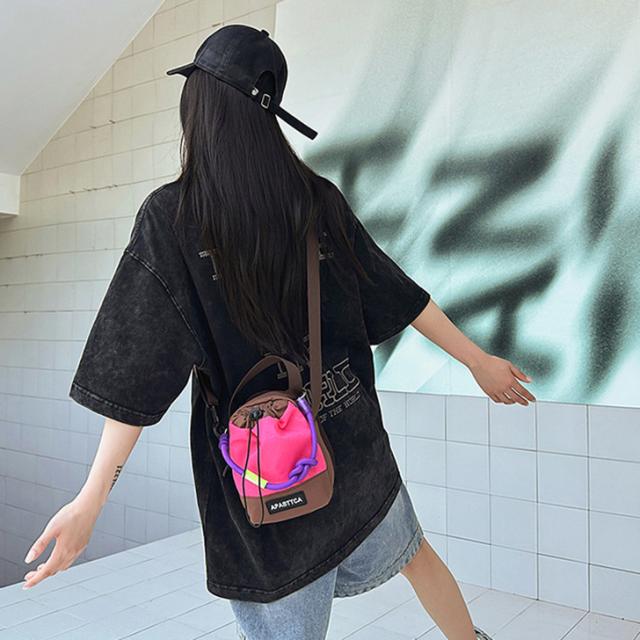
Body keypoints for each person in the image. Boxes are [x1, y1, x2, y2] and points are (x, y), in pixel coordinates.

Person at [21, 25, 535, 640]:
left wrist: (92, 497)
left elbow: (137, 366)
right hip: (351, 444)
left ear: (202, 108)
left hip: (267, 478)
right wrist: (477, 360)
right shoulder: (317, 201)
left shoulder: (174, 218)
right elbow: (398, 292)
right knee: (417, 557)